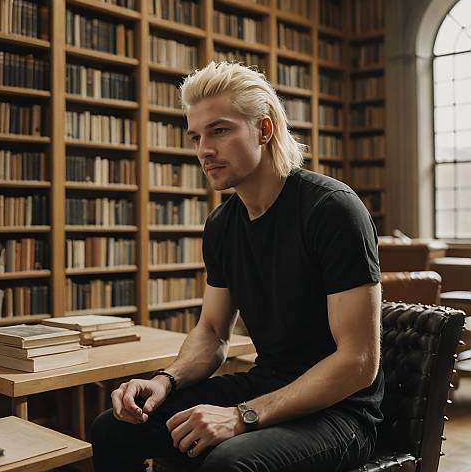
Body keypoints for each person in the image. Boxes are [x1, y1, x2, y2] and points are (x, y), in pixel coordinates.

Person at [91, 61, 383, 472]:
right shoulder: (222, 225)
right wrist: (164, 380)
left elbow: (358, 362)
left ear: (264, 130)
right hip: (267, 384)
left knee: (229, 461)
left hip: (342, 412)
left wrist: (241, 415)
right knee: (112, 429)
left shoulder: (332, 209)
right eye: (196, 136)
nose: (203, 150)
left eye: (220, 130)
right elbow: (212, 332)